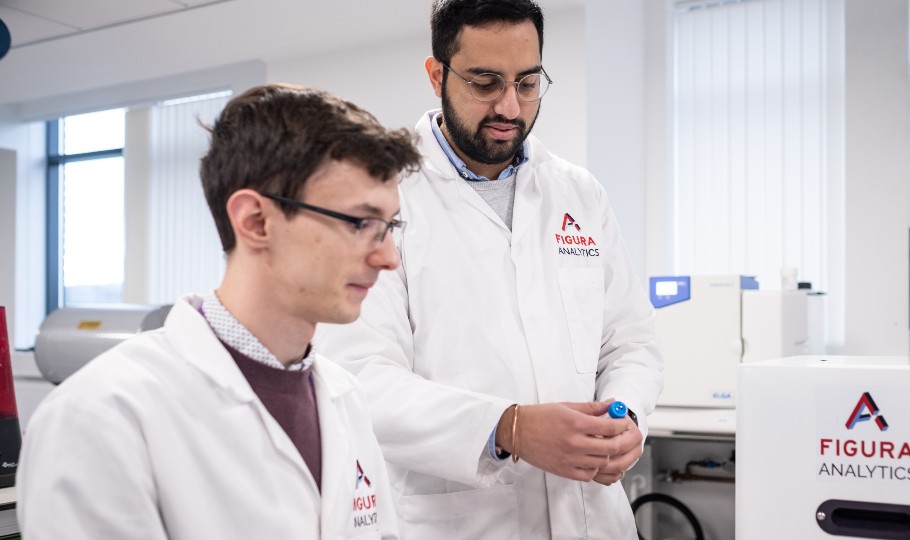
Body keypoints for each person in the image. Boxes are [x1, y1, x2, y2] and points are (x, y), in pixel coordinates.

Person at [313, 1, 664, 538]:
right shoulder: (383, 194)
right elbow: (357, 378)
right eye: (485, 82)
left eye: (527, 83)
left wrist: (626, 417)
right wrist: (509, 429)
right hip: (460, 520)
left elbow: (629, 340)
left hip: (591, 516)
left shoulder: (578, 193)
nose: (510, 106)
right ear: (436, 76)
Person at [16, 84, 420, 540]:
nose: (389, 258)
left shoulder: (344, 397)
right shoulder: (101, 416)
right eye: (361, 223)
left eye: (390, 227)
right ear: (255, 221)